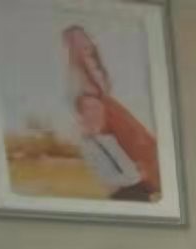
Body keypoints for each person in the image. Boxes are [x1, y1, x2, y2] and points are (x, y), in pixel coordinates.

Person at [62, 24, 160, 197]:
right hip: (106, 121)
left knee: (141, 149)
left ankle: (144, 183)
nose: (85, 43)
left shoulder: (93, 66)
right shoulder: (78, 78)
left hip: (112, 115)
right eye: (78, 40)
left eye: (84, 37)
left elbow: (104, 88)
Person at [74, 94, 154, 201]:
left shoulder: (108, 137)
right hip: (124, 195)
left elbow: (123, 165)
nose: (96, 112)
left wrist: (136, 169)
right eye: (90, 108)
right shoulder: (87, 144)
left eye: (98, 107)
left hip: (137, 189)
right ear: (82, 114)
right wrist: (138, 175)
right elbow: (108, 180)